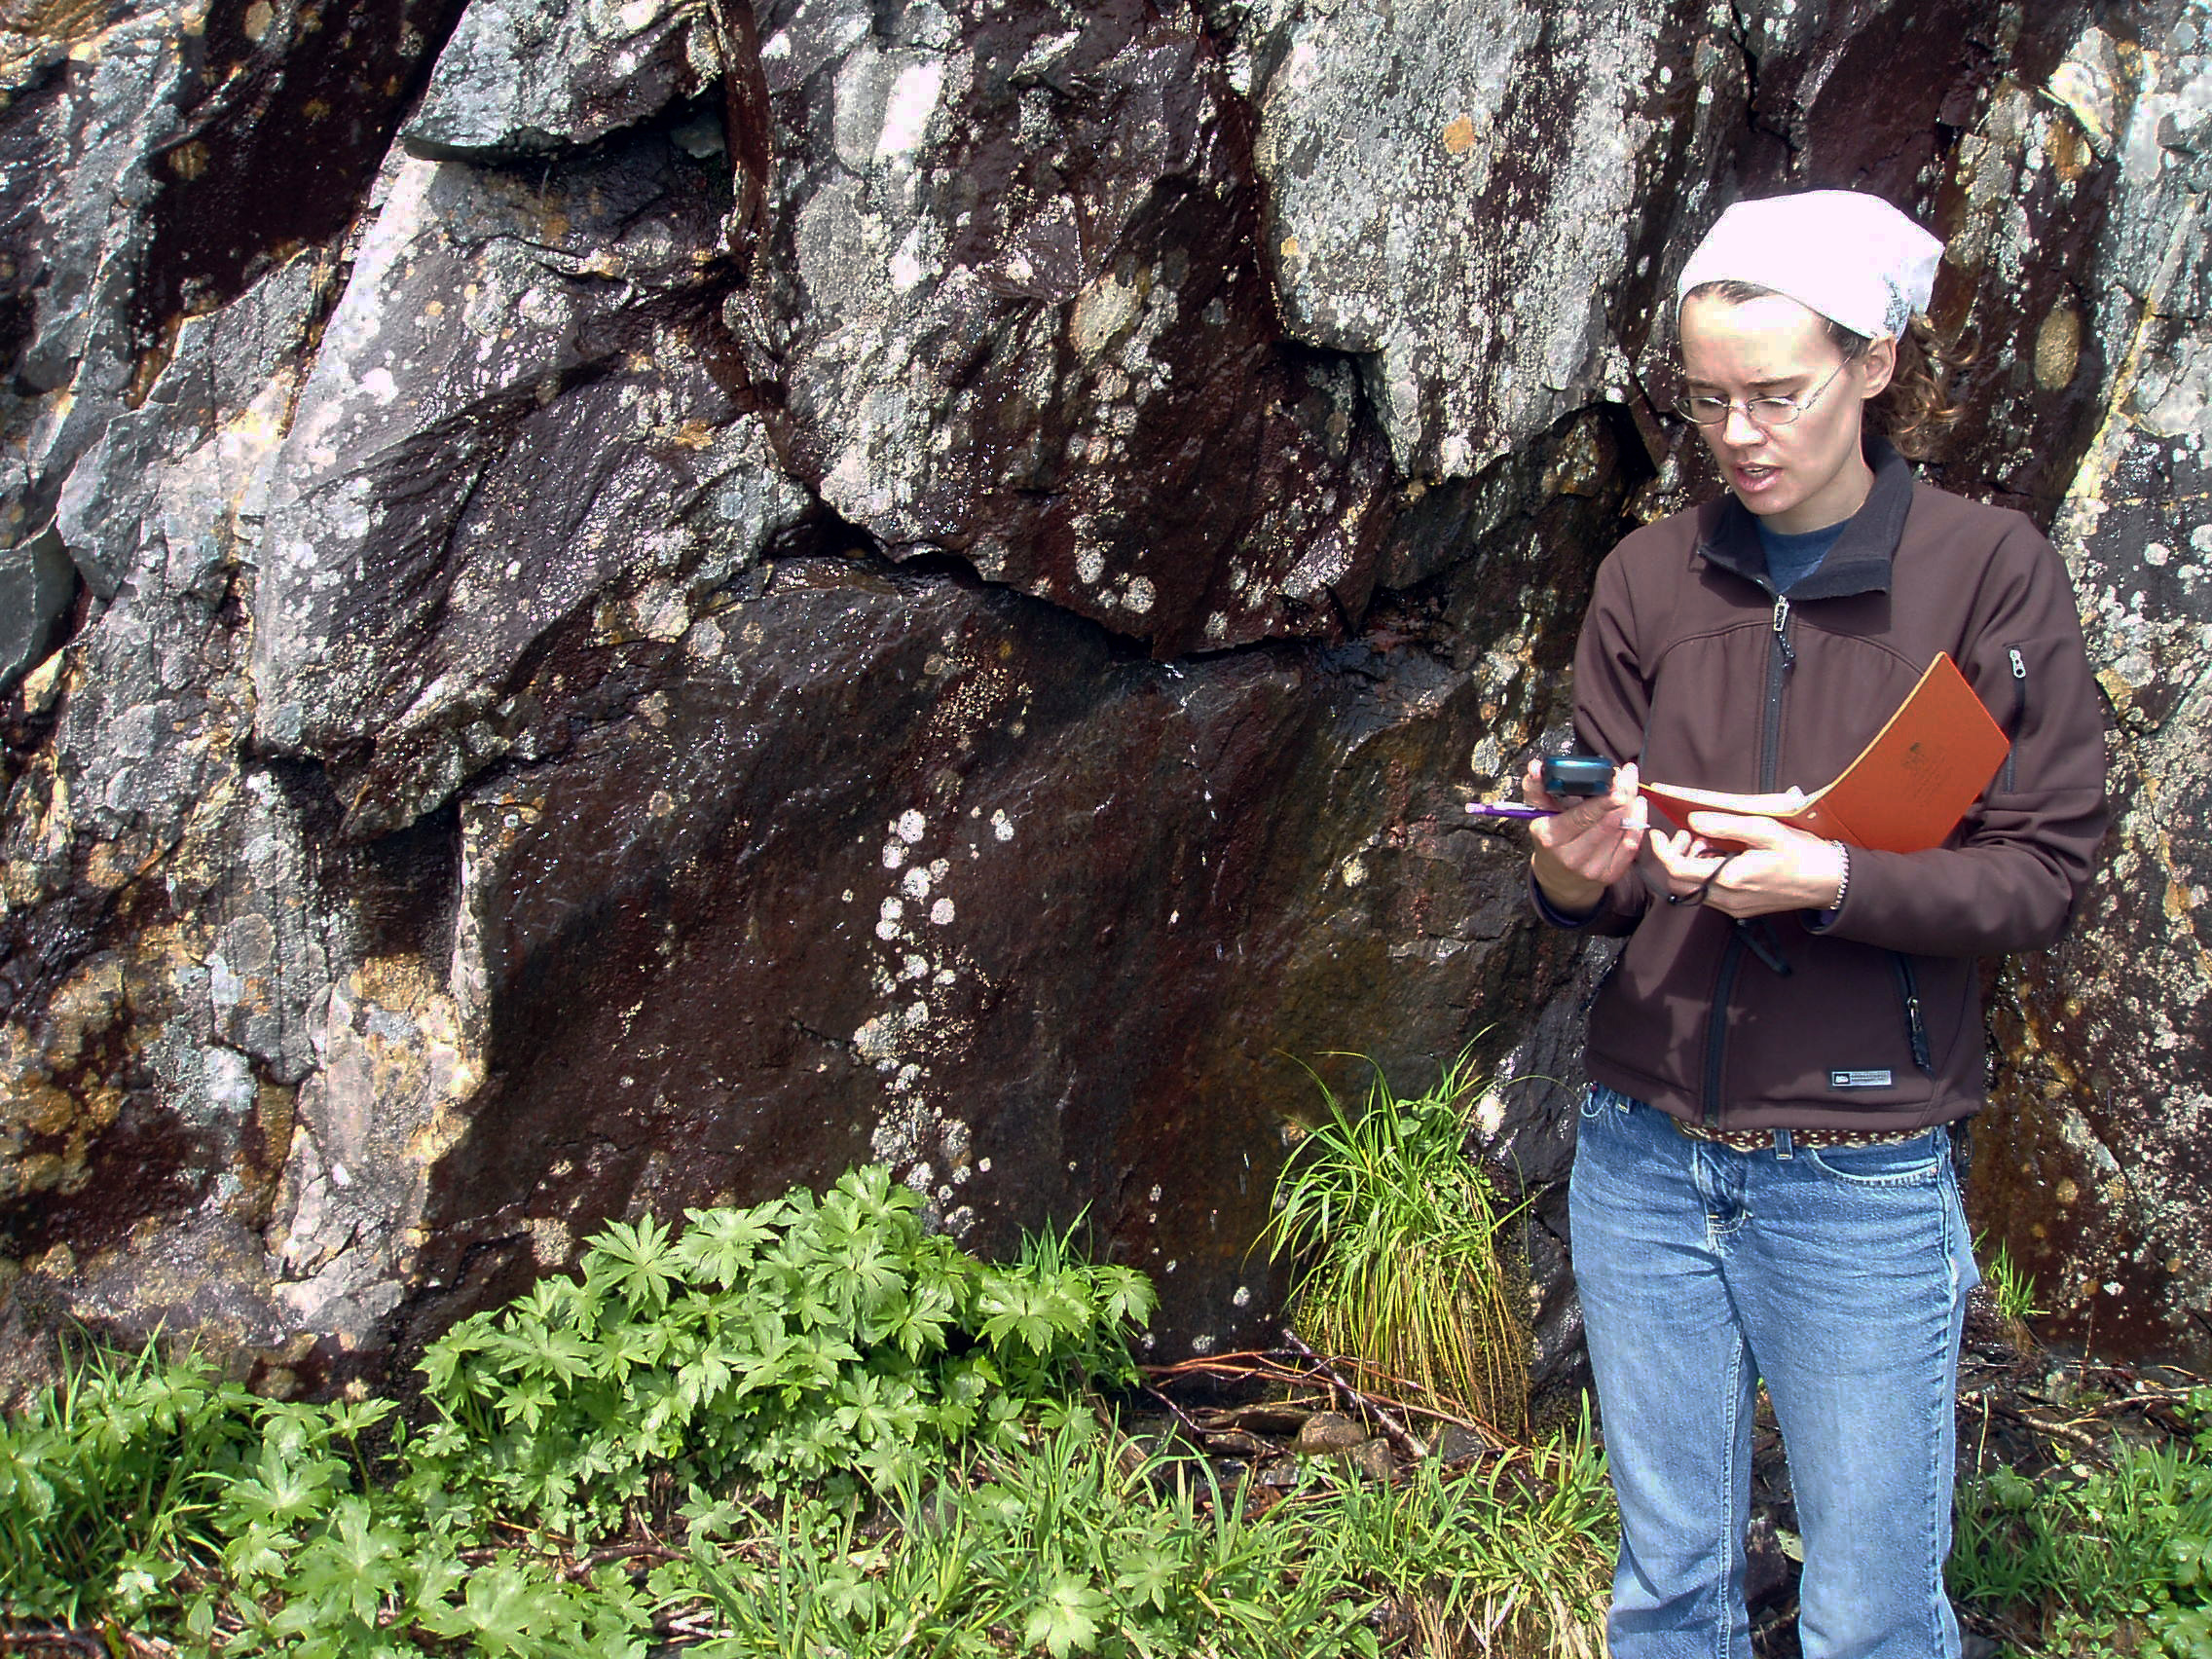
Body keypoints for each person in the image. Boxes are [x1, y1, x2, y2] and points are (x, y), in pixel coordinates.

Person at [1521, 191, 2108, 1659]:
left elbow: (2045, 874)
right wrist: (1575, 862)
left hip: (1859, 1172)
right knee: (1666, 1593)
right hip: (1642, 1149)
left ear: (1878, 361)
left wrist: (1832, 880)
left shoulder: (1985, 572)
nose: (1741, 434)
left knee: (1868, 1615)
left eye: (1777, 393)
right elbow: (1596, 883)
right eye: (1710, 402)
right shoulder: (1650, 578)